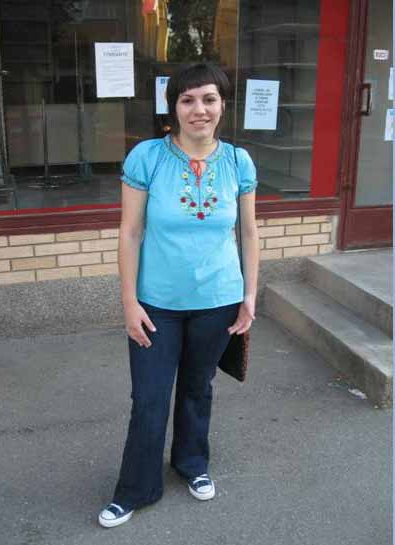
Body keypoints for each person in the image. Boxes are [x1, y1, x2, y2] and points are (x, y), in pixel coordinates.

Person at [98, 63, 260, 528]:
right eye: (187, 100)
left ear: (223, 105)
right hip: (156, 305)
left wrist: (250, 295)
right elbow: (130, 233)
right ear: (173, 107)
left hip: (218, 300)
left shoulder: (238, 162)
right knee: (149, 397)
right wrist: (129, 302)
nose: (198, 109)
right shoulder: (147, 157)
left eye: (209, 99)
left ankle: (192, 463)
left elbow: (249, 233)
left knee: (197, 388)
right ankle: (136, 488)